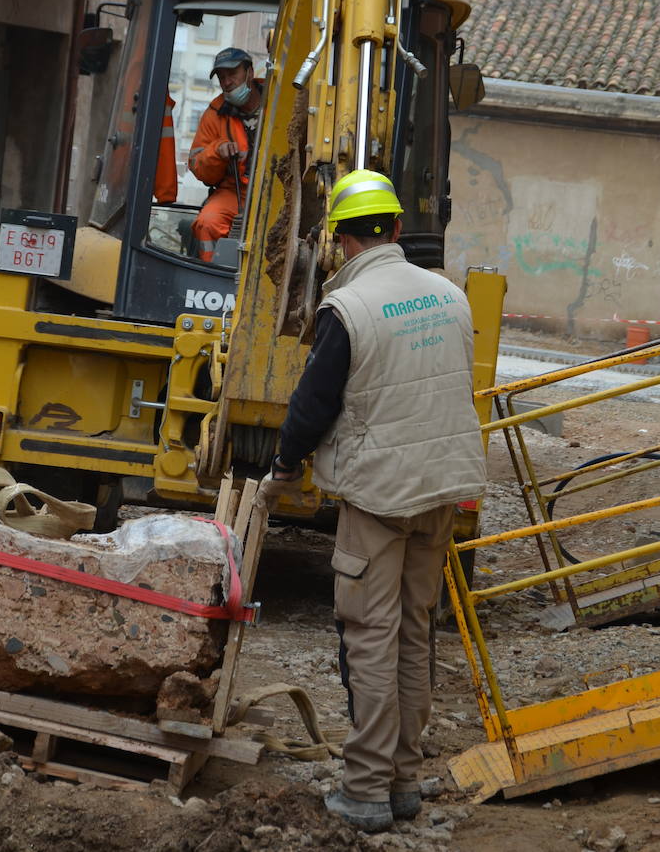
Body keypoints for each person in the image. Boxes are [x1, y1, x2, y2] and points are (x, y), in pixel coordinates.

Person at [261, 169, 486, 834]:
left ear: (339, 241)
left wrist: (281, 467)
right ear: (393, 228)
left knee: (369, 635)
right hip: (442, 488)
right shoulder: (449, 296)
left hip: (380, 495)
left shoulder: (349, 309)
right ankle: (404, 781)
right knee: (415, 631)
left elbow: (311, 407)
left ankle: (363, 791)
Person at [188, 48, 263, 263]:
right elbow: (198, 166)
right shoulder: (214, 113)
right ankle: (213, 274)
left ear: (249, 72)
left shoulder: (281, 99)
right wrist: (217, 152)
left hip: (276, 189)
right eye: (221, 77)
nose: (227, 81)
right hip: (234, 192)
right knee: (207, 222)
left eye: (232, 74)